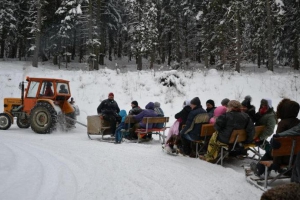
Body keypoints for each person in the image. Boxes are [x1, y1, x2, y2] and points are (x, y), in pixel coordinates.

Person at [252, 99, 300, 176]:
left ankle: (259, 169)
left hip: (284, 158)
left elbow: (277, 145)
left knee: (270, 152)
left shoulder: (283, 124)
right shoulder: (298, 124)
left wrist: (276, 164)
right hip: (296, 158)